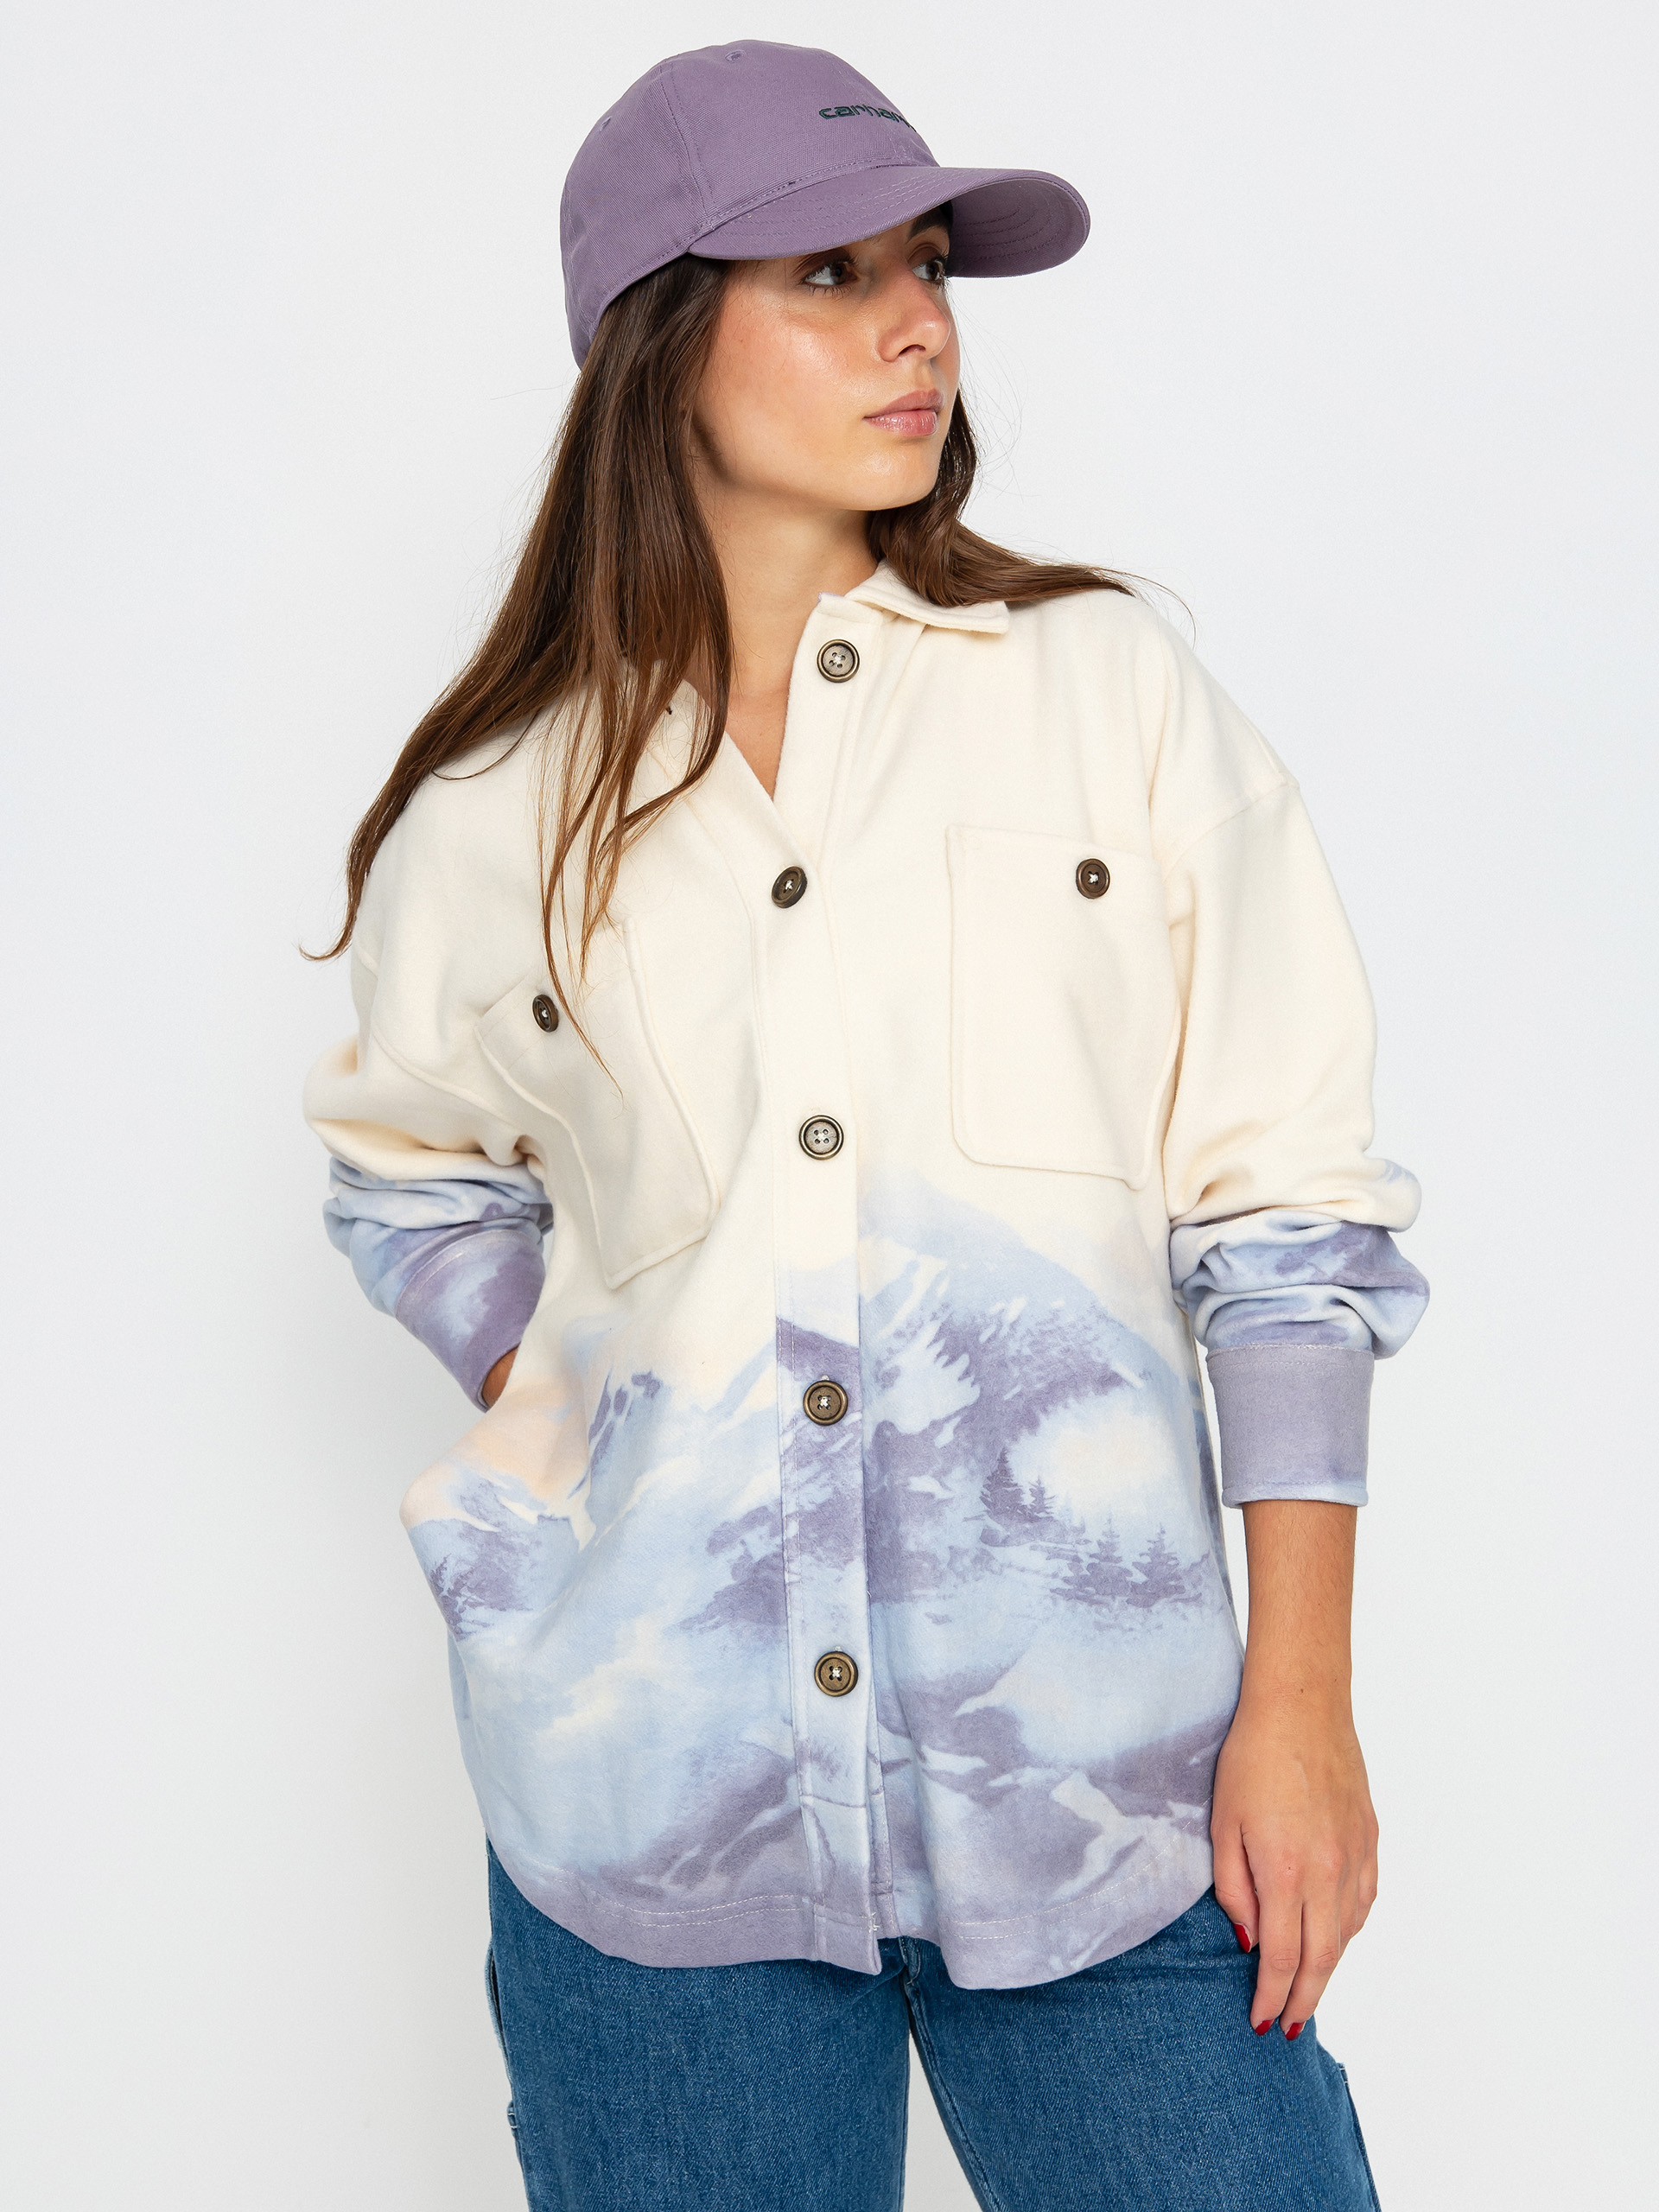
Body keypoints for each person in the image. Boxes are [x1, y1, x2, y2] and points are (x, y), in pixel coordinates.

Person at [304, 40, 1426, 2212]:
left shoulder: (1106, 692)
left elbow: (1286, 1212)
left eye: (925, 264)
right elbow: (402, 1164)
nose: (917, 321)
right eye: (832, 272)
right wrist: (581, 1400)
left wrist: (1301, 1699)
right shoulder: (500, 810)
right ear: (660, 335)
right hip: (652, 1817)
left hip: (1107, 1798)